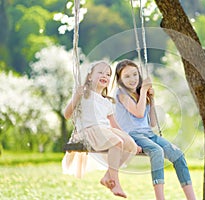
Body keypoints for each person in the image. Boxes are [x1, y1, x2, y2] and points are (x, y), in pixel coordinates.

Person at [114, 59, 196, 200]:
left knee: (178, 155)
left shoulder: (140, 95)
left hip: (149, 134)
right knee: (157, 151)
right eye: (127, 76)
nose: (132, 79)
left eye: (135, 74)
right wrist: (145, 89)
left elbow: (152, 123)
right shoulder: (121, 94)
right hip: (133, 136)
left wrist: (151, 99)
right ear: (120, 80)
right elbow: (138, 113)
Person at [62, 60, 141, 198]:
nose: (105, 75)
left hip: (105, 131)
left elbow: (114, 125)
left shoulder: (107, 102)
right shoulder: (84, 94)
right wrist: (76, 96)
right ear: (90, 76)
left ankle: (107, 176)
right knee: (117, 142)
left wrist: (131, 141)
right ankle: (115, 182)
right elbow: (67, 115)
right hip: (88, 131)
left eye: (108, 74)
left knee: (130, 145)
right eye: (100, 72)